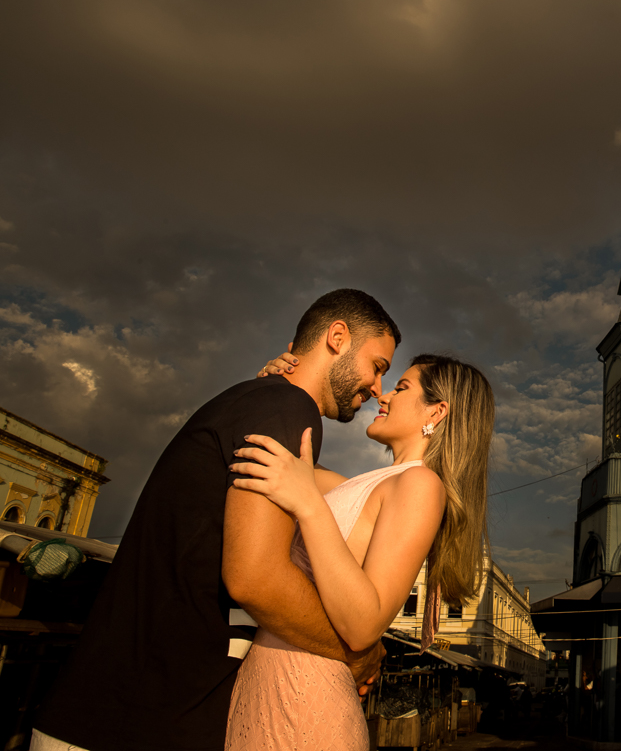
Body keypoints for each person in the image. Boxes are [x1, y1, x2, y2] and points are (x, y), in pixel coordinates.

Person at [32, 289, 399, 751]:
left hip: (126, 718)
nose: (377, 388)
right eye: (378, 367)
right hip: (131, 725)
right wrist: (353, 651)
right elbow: (256, 577)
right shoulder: (287, 406)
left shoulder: (264, 404)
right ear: (337, 337)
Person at [224, 352, 494, 750]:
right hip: (270, 687)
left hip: (304, 701)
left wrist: (308, 505)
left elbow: (365, 625)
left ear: (436, 412)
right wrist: (273, 384)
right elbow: (276, 456)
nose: (383, 396)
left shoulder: (422, 485)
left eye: (401, 388)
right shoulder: (363, 485)